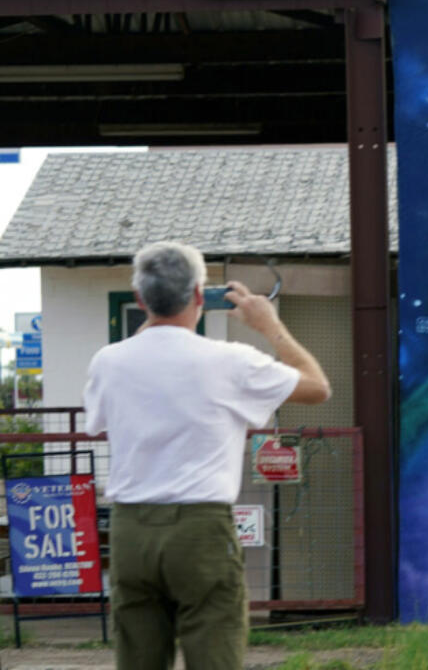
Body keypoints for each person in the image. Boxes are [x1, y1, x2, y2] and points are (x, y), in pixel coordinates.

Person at [83, 241, 331, 669]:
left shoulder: (109, 361)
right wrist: (270, 326)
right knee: (214, 654)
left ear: (140, 300)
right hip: (200, 528)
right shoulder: (230, 361)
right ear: (200, 296)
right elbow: (317, 386)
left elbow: (97, 421)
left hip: (130, 531)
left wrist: (151, 328)